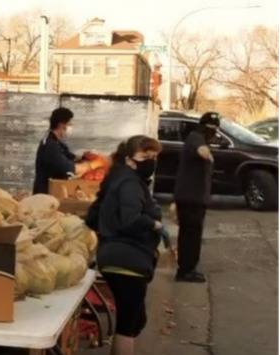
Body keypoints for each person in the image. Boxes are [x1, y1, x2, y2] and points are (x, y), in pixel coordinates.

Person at [91, 135, 163, 355]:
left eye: (153, 157)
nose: (150, 161)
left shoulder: (127, 181)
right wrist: (155, 224)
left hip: (126, 259)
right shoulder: (129, 184)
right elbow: (130, 219)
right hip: (127, 261)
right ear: (130, 160)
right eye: (145, 156)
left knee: (135, 320)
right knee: (128, 325)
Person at [174, 112, 220, 283]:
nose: (213, 132)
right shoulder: (196, 137)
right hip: (190, 198)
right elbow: (201, 151)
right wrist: (208, 153)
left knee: (191, 233)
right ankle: (186, 270)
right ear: (204, 127)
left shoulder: (200, 138)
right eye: (211, 129)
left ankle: (188, 268)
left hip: (194, 197)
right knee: (190, 235)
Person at [33, 107, 102, 194]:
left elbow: (71, 157)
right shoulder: (50, 145)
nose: (71, 127)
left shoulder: (58, 143)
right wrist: (93, 164)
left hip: (53, 191)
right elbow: (69, 168)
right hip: (45, 193)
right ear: (61, 125)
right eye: (69, 124)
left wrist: (85, 156)